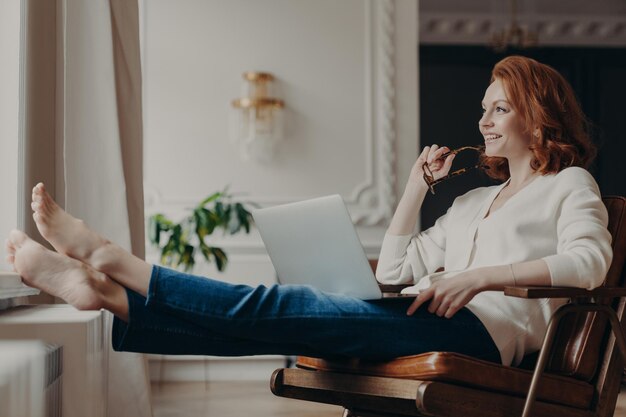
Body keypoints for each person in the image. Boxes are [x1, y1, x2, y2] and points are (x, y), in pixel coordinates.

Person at [5, 56, 612, 366]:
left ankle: (113, 262)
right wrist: (412, 189)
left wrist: (479, 277)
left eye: (500, 109)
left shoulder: (569, 184)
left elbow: (589, 264)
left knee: (283, 308)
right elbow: (397, 271)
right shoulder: (474, 202)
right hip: (426, 312)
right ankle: (106, 295)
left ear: (538, 115)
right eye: (483, 107)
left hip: (484, 336)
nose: (482, 120)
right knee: (276, 323)